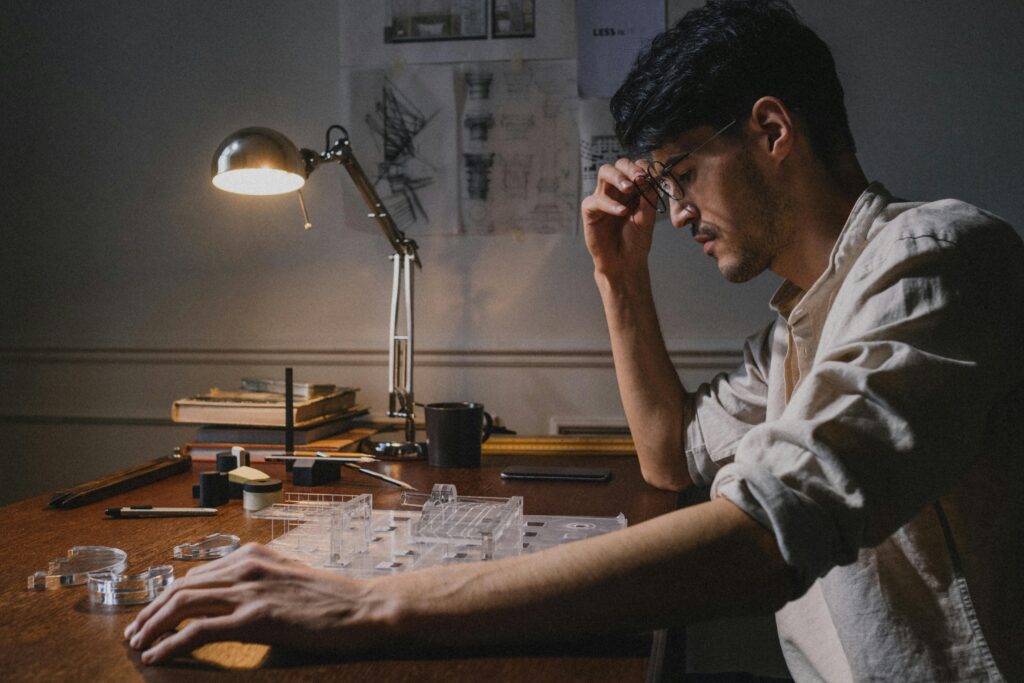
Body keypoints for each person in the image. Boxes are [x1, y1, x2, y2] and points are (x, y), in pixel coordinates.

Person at [125, 1, 1023, 679]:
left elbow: (761, 538)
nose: (675, 213)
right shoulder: (799, 321)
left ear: (773, 130)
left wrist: (370, 601)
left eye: (682, 173)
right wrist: (616, 277)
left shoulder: (936, 261)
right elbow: (671, 458)